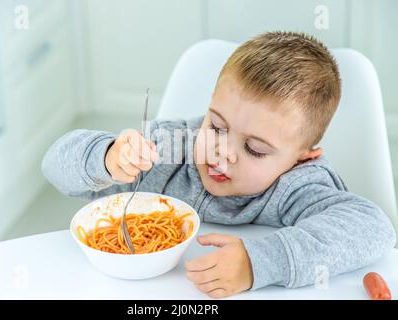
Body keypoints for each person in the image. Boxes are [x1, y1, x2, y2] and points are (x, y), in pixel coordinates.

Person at [42, 31, 396, 298]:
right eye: (217, 126)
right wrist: (106, 157)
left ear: (303, 156)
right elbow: (54, 164)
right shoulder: (170, 148)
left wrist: (259, 263)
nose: (221, 151)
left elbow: (373, 228)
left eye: (255, 149)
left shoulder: (297, 184)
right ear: (209, 104)